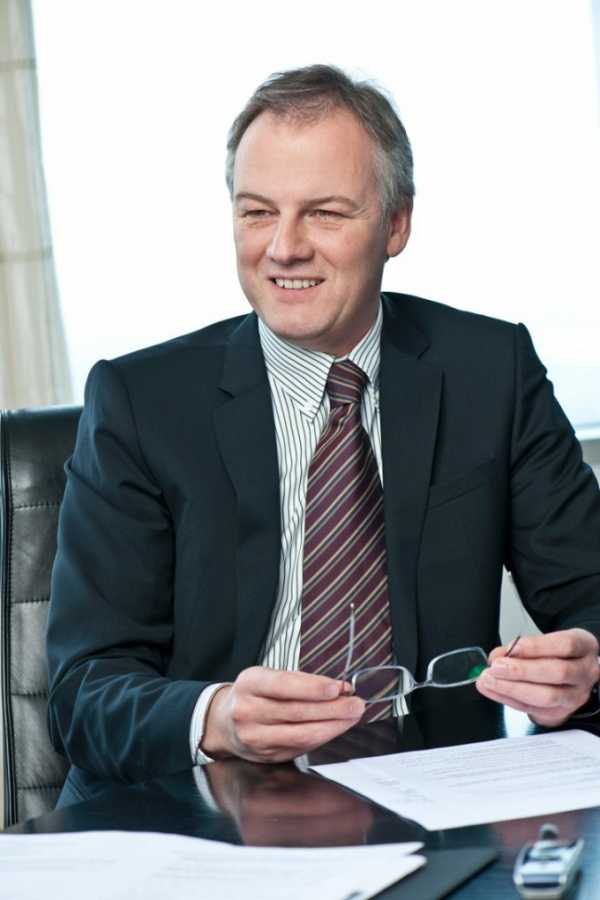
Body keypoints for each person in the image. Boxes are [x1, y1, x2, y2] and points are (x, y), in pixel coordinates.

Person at [47, 65, 600, 799]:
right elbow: (84, 692)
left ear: (396, 224)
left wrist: (584, 665)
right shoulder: (139, 401)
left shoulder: (491, 371)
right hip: (202, 805)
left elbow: (590, 595)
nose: (284, 247)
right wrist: (217, 717)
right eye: (257, 212)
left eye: (325, 213)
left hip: (437, 796)